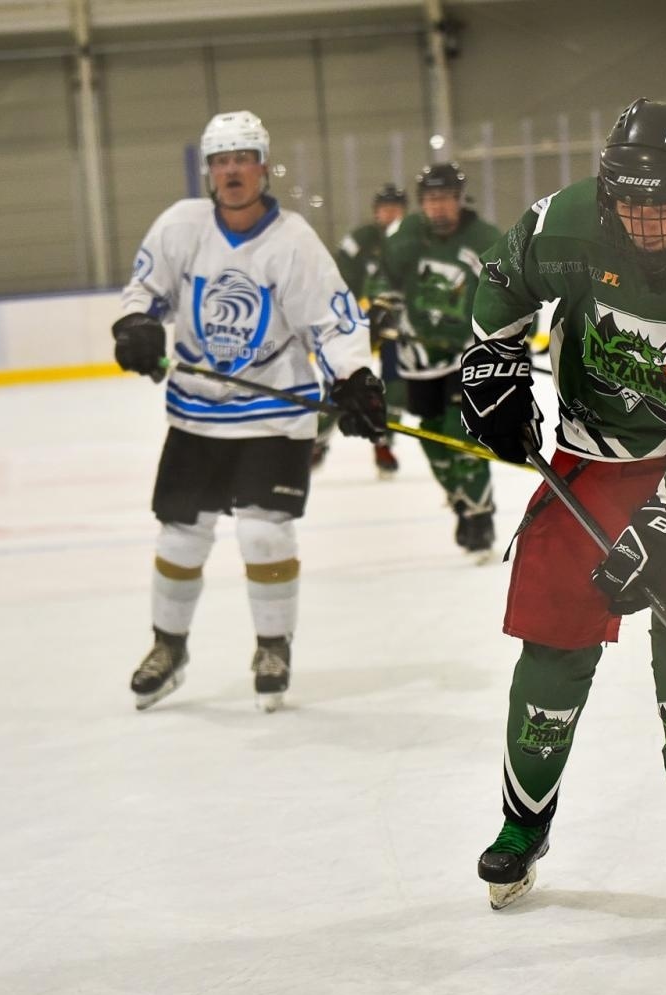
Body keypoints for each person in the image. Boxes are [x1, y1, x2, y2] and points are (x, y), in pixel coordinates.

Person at [457, 98, 666, 941]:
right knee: (551, 644)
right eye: (632, 204)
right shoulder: (563, 225)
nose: (647, 223)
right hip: (591, 463)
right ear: (607, 193)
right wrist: (493, 363)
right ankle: (523, 823)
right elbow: (502, 279)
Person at [111, 109, 387, 713]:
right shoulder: (181, 226)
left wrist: (354, 379)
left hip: (273, 415)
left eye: (243, 158)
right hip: (197, 414)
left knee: (264, 534)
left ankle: (272, 647)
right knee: (180, 536)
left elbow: (331, 321)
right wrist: (136, 326)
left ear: (263, 166)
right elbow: (146, 292)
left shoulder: (292, 241)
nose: (232, 170)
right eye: (221, 160)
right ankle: (168, 647)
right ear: (209, 170)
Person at [376, 162, 504, 559]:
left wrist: (504, 337)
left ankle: (480, 515)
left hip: (468, 354)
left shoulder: (484, 238)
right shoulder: (409, 234)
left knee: (460, 433)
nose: (438, 207)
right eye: (431, 199)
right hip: (420, 356)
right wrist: (382, 307)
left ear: (460, 199)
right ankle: (461, 501)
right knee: (433, 438)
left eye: (446, 198)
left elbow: (511, 290)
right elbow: (385, 277)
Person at [314, 183, 410, 477]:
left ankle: (382, 442)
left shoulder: (414, 240)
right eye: (385, 208)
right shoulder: (360, 240)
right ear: (375, 211)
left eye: (396, 208)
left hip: (399, 326)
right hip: (361, 323)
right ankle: (318, 439)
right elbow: (339, 281)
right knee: (342, 382)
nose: (390, 213)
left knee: (396, 387)